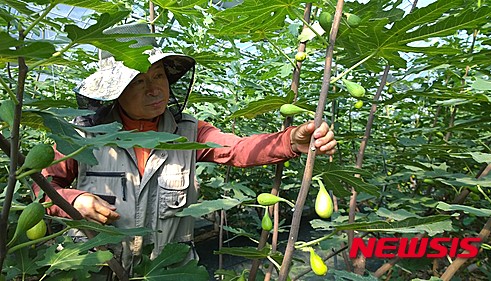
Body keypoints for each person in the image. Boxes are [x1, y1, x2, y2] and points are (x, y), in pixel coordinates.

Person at [33, 22, 336, 275]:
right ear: (116, 91)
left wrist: (291, 140)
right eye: (139, 81)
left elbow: (238, 148)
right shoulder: (83, 133)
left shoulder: (187, 131)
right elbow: (43, 188)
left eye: (159, 76)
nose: (155, 89)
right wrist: (75, 201)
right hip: (95, 271)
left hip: (169, 272)